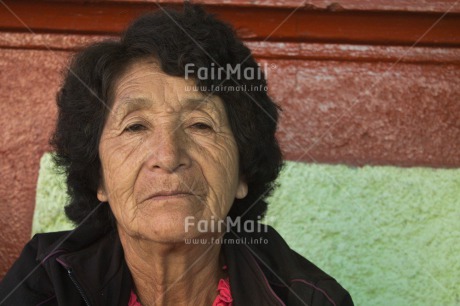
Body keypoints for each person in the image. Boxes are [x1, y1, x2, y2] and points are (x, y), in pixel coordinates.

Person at [0, 4, 353, 305]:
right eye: (135, 127)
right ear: (99, 178)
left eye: (200, 125)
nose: (168, 156)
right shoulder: (47, 281)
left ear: (243, 173)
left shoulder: (306, 297)